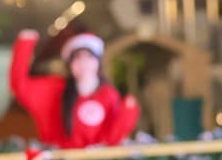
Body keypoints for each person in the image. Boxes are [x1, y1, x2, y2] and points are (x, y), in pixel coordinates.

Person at [9, 29, 139, 148]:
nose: (83, 63)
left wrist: (128, 112)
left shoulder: (109, 94)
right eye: (77, 58)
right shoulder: (56, 90)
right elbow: (20, 86)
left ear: (98, 62)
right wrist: (24, 45)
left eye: (89, 57)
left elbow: (112, 138)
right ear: (69, 65)